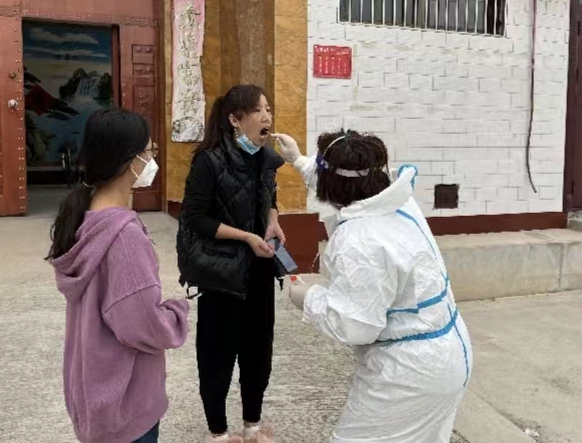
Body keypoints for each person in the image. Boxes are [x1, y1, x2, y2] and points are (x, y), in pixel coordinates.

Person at [273, 130, 473, 443]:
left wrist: (309, 298)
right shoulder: (397, 202)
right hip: (449, 353)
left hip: (409, 373)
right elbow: (343, 185)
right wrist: (298, 160)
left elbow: (356, 326)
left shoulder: (360, 240)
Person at [48, 109, 189, 443]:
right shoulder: (123, 236)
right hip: (125, 401)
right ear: (130, 160)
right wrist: (176, 313)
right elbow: (141, 324)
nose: (153, 161)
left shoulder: (86, 214)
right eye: (150, 152)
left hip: (92, 388)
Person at [177, 85, 286, 443]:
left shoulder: (266, 157)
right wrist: (245, 237)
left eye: (268, 109)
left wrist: (272, 220)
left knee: (258, 351)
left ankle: (252, 426)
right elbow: (196, 218)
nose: (267, 117)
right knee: (217, 356)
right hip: (221, 271)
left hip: (260, 269)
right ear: (235, 119)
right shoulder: (208, 160)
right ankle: (219, 433)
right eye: (258, 111)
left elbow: (271, 196)